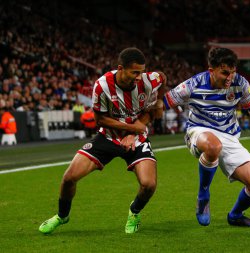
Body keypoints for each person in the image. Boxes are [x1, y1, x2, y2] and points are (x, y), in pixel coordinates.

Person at [39, 47, 166, 235]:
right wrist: (132, 128)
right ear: (121, 68)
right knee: (68, 178)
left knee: (149, 185)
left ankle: (134, 211)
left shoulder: (148, 80)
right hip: (107, 137)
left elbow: (162, 77)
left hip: (137, 140)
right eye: (135, 72)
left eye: (141, 71)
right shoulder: (102, 85)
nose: (139, 77)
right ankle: (61, 216)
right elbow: (100, 120)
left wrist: (160, 101)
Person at [163, 47, 250, 227]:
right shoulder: (193, 84)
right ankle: (203, 195)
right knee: (213, 146)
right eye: (225, 73)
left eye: (233, 72)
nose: (230, 78)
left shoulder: (240, 83)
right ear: (211, 70)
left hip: (229, 135)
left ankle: (235, 215)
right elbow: (164, 102)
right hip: (198, 130)